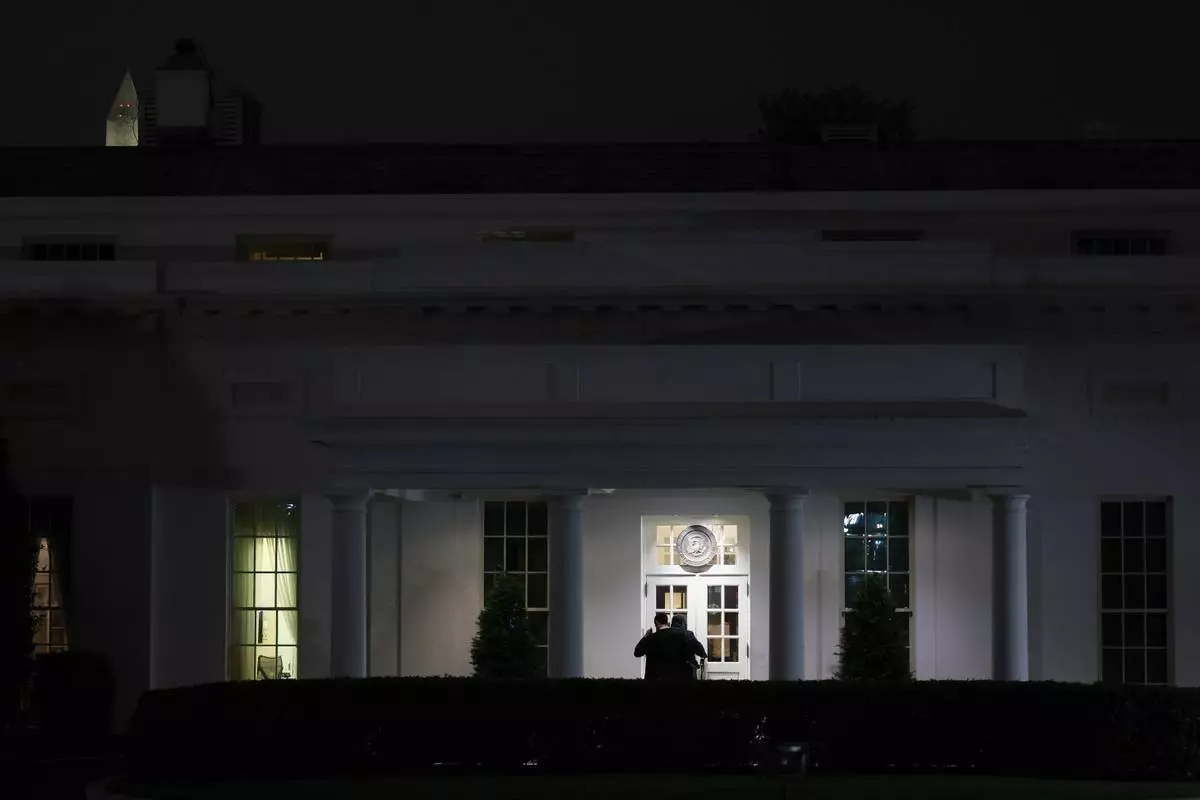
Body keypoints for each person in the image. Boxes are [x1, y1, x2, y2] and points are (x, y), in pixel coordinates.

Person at [634, 612, 693, 681]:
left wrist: (645, 637)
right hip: (674, 680)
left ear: (656, 622)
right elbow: (687, 655)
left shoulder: (651, 638)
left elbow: (637, 652)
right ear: (667, 622)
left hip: (654, 681)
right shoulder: (680, 636)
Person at [671, 614, 708, 680]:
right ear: (682, 623)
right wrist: (703, 655)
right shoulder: (688, 634)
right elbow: (699, 649)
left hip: (669, 671)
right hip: (686, 670)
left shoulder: (665, 633)